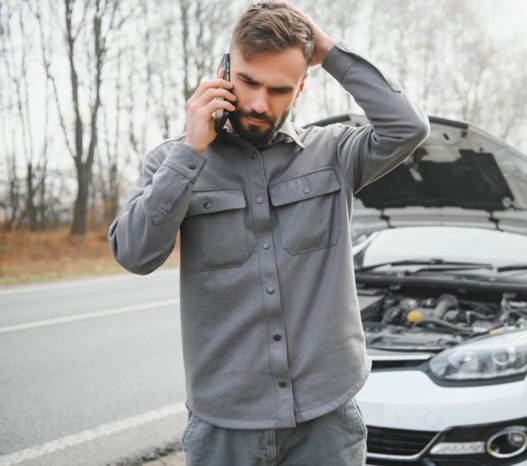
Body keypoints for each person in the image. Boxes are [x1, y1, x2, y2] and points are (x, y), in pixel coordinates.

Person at [108, 1, 429, 464]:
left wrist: (329, 50)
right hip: (224, 427)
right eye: (248, 81)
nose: (259, 103)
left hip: (326, 424)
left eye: (278, 89)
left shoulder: (334, 153)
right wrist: (191, 149)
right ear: (223, 71)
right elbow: (134, 253)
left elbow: (408, 126)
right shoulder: (171, 162)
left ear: (301, 86)